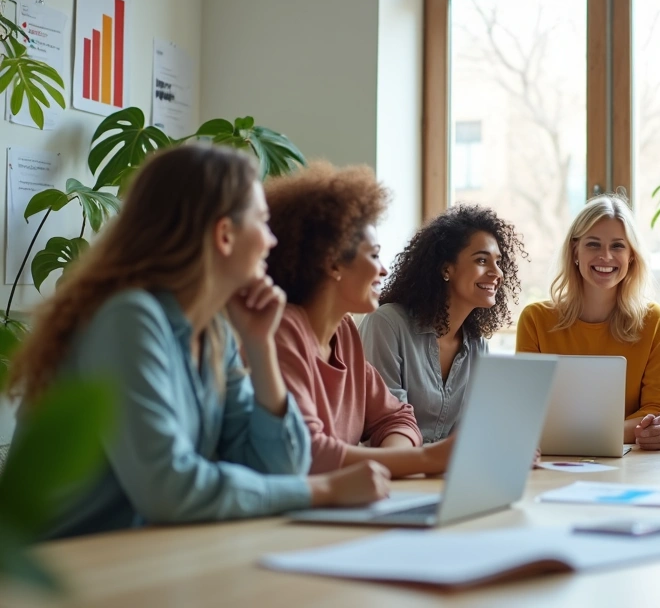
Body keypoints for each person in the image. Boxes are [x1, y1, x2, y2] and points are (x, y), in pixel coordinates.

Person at [7, 145, 390, 539]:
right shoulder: (128, 318)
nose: (271, 241)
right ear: (224, 235)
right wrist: (324, 490)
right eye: (262, 222)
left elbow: (279, 467)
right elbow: (169, 489)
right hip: (48, 572)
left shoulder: (214, 333)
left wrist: (259, 346)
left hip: (134, 556)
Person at [264, 163, 453, 478]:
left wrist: (388, 467)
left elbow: (396, 419)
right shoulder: (282, 330)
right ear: (334, 262)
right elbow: (308, 451)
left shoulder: (344, 331)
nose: (384, 270)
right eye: (374, 255)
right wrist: (427, 459)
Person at [516, 195, 660, 450]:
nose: (606, 256)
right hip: (551, 461)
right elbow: (525, 409)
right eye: (593, 244)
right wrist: (626, 431)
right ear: (575, 251)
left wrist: (650, 430)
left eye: (618, 246)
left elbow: (659, 411)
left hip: (632, 464)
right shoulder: (535, 319)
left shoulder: (653, 321)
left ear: (632, 256)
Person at [359, 204, 525, 443]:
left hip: (442, 474)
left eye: (498, 262)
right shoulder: (387, 324)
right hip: (391, 470)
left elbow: (473, 432)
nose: (496, 272)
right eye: (482, 260)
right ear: (447, 268)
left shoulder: (477, 345)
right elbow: (386, 423)